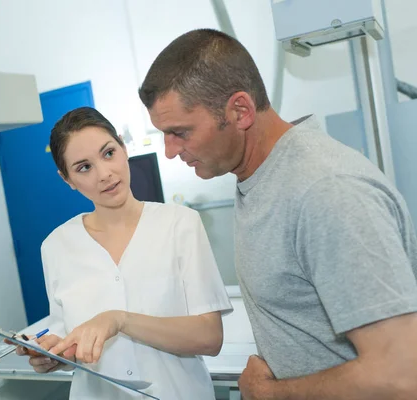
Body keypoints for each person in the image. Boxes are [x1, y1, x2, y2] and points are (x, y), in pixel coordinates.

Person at [138, 28, 417, 400]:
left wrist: (273, 393)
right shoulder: (259, 176)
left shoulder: (325, 191)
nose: (170, 151)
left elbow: (401, 374)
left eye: (180, 132)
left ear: (240, 111)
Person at [16, 107, 232, 399]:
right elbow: (72, 343)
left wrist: (120, 319)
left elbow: (209, 337)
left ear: (122, 146)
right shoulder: (56, 246)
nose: (104, 174)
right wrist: (54, 356)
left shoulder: (180, 224)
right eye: (84, 167)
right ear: (67, 179)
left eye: (108, 153)